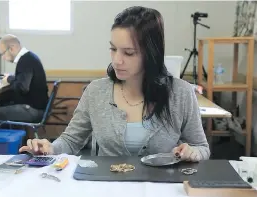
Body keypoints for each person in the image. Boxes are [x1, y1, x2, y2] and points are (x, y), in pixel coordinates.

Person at [19, 6, 210, 162]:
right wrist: (50, 148)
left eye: (128, 53)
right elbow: (71, 140)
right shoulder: (96, 91)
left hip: (162, 188)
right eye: (113, 49)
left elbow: (202, 148)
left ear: (152, 54)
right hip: (106, 187)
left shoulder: (181, 93)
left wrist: (192, 152)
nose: (117, 60)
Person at [0, 34, 48, 122]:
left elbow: (22, 88)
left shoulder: (25, 60)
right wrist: (11, 78)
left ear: (11, 48)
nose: (3, 57)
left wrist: (9, 79)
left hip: (32, 110)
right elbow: (24, 81)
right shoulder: (29, 57)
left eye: (3, 53)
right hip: (36, 108)